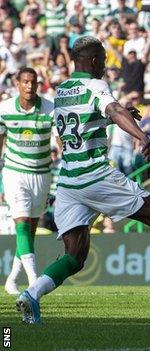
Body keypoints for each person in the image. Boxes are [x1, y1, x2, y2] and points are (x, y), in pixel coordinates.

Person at [15, 37, 150, 325]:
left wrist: (115, 117)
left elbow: (84, 121)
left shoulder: (62, 90)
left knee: (75, 256)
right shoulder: (96, 86)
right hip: (96, 176)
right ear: (93, 61)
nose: (105, 65)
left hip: (68, 183)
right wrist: (142, 135)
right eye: (103, 59)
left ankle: (31, 294)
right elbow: (112, 110)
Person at [0, 68, 55, 295]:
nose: (29, 87)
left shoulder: (51, 109)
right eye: (25, 82)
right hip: (14, 172)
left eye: (33, 82)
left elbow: (61, 139)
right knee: (21, 222)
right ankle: (34, 281)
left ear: (38, 84)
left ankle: (12, 279)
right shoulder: (4, 109)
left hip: (42, 173)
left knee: (30, 229)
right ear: (17, 84)